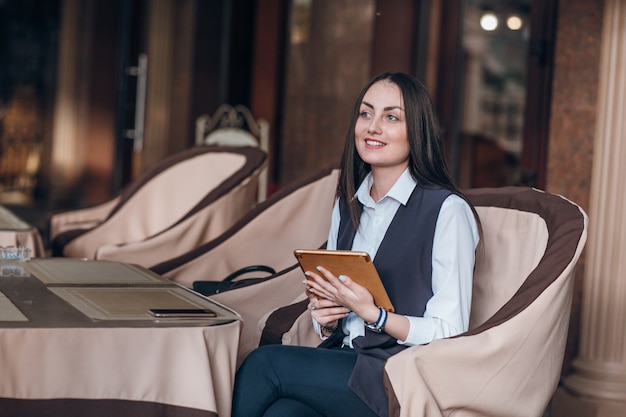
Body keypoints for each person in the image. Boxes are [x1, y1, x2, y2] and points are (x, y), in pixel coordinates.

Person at [231, 72, 481, 417]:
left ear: (417, 131)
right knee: (283, 413)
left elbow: (451, 331)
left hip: (401, 372)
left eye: (391, 117)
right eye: (366, 114)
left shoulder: (447, 211)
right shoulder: (348, 205)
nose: (373, 127)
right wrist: (327, 318)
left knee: (264, 364)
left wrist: (375, 316)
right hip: (347, 360)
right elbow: (338, 318)